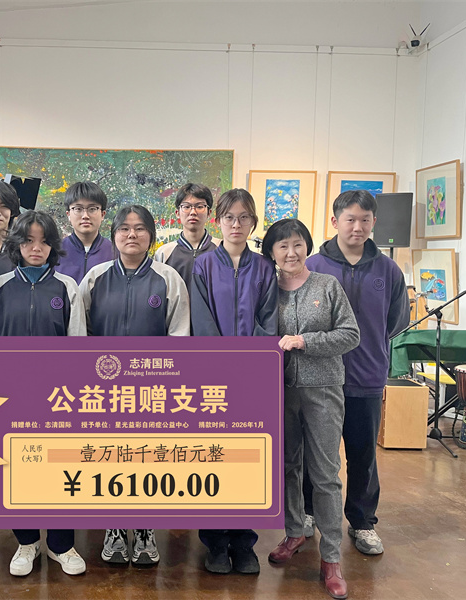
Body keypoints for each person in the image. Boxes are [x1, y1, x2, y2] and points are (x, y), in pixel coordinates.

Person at [79, 204, 189, 566]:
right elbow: (81, 332)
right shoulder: (95, 277)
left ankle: (144, 529)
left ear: (151, 236)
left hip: (151, 389)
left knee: (147, 456)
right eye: (124, 228)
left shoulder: (168, 278)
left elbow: (179, 334)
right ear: (113, 236)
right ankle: (113, 527)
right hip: (104, 388)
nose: (132, 235)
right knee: (109, 456)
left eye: (140, 228)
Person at [0, 210, 87, 576]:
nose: (36, 248)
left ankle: (61, 545)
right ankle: (26, 542)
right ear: (17, 245)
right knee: (18, 469)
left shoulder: (66, 287)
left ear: (53, 246)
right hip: (8, 396)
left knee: (60, 469)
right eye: (28, 241)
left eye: (43, 241)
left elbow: (78, 345)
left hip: (57, 398)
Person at [304, 190, 410, 556]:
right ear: (335, 221)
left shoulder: (388, 270)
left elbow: (396, 321)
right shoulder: (313, 265)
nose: (358, 227)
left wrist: (370, 348)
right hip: (319, 377)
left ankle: (363, 522)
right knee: (315, 453)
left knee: (363, 455)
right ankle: (307, 513)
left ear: (374, 222)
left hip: (366, 377)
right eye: (350, 219)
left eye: (365, 220)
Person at [262, 219, 360, 600]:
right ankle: (294, 532)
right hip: (280, 391)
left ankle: (331, 558)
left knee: (325, 474)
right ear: (271, 252)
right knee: (287, 466)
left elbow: (351, 335)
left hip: (323, 391)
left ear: (307, 246)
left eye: (297, 244)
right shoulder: (266, 289)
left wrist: (306, 341)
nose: (291, 252)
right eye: (282, 246)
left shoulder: (327, 286)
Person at [189, 188, 278, 575]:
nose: (236, 224)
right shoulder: (203, 265)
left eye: (244, 217)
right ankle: (215, 542)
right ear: (218, 221)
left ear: (253, 222)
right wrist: (221, 362)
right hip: (213, 376)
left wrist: (251, 361)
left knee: (247, 459)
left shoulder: (264, 268)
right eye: (229, 217)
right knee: (213, 455)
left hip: (253, 375)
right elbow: (200, 318)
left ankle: (243, 542)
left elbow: (269, 319)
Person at [154, 182, 220, 292]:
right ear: (177, 213)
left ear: (209, 213)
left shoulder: (222, 249)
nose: (193, 212)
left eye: (200, 206)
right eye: (187, 207)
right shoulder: (163, 253)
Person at [57, 181, 114, 284]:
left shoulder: (115, 253)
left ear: (102, 214)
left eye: (92, 209)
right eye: (78, 209)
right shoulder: (55, 252)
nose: (85, 216)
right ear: (68, 214)